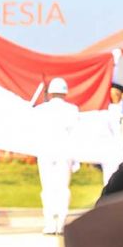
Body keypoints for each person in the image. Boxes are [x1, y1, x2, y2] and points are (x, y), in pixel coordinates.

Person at [35, 77, 79, 235]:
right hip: (64, 153)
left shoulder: (40, 110)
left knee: (47, 189)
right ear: (65, 92)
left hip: (46, 153)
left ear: (51, 92)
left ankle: (49, 224)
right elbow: (75, 135)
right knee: (62, 189)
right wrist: (76, 158)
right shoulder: (72, 110)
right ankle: (61, 223)